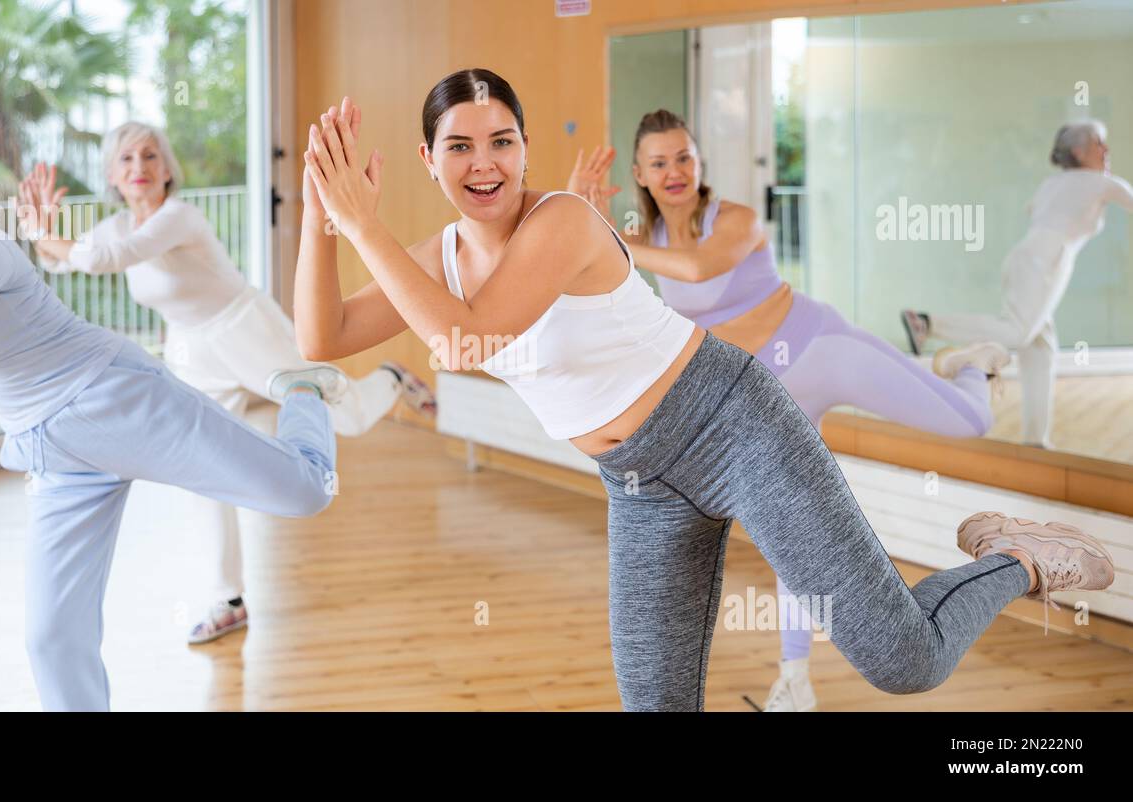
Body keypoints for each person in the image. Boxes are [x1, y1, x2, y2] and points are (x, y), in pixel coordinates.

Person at [289, 71, 1114, 711]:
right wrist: (322, 222)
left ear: (525, 150)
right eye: (460, 146)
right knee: (653, 701)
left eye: (501, 140)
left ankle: (1019, 557)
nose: (483, 162)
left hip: (733, 423)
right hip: (641, 486)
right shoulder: (439, 258)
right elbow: (320, 339)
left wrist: (367, 227)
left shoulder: (563, 221)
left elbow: (464, 336)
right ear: (428, 159)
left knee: (906, 661)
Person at [0, 96, 342, 711]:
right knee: (52, 638)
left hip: (113, 399)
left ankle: (305, 388)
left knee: (307, 491)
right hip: (52, 452)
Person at [564, 109, 1010, 711]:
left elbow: (699, 267)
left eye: (685, 158)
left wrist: (607, 237)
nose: (675, 171)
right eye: (660, 162)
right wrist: (585, 225)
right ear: (640, 173)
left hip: (822, 351)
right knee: (794, 547)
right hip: (761, 402)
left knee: (972, 421)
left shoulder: (737, 220)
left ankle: (966, 365)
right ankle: (794, 682)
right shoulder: (648, 244)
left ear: (700, 163)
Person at [19, 120, 436, 644]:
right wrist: (41, 237)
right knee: (200, 466)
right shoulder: (118, 226)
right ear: (112, 176)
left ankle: (392, 379)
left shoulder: (178, 217)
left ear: (167, 169)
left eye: (150, 156)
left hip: (246, 329)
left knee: (346, 420)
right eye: (125, 160)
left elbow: (102, 260)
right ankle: (228, 598)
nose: (139, 168)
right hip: (192, 351)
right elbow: (65, 261)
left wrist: (45, 237)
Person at [902, 120, 1133, 448]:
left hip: (1024, 256)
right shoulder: (1101, 183)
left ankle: (1036, 441)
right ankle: (927, 323)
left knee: (1041, 346)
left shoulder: (1054, 183)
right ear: (1080, 151)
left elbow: (1036, 212)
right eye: (1100, 143)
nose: (1107, 150)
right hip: (1046, 261)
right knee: (1017, 332)